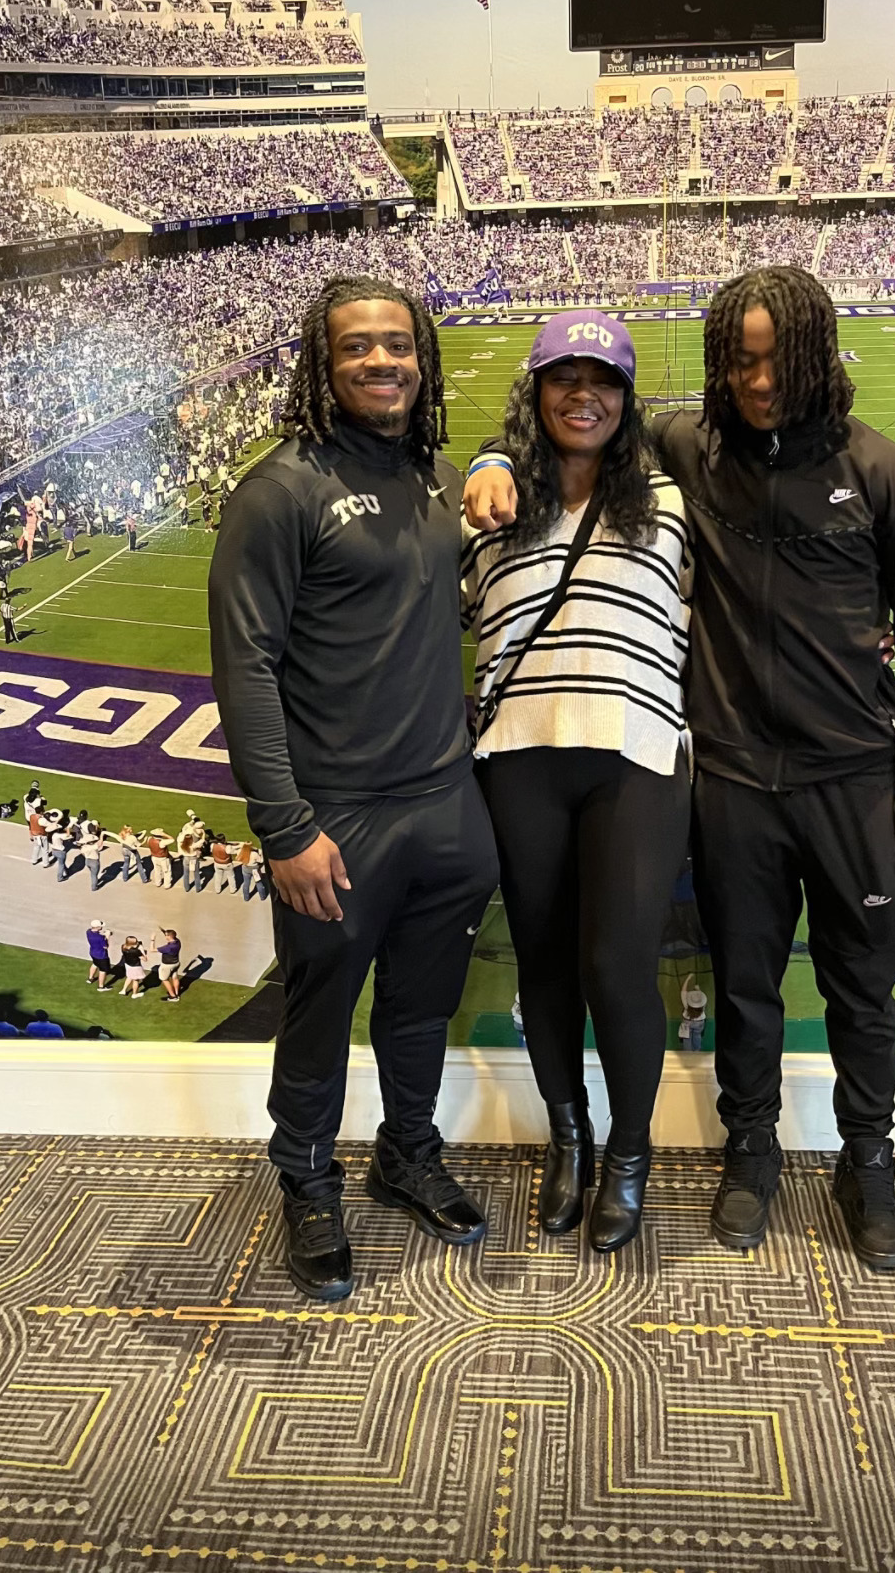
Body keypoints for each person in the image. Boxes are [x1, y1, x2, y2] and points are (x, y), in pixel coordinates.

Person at [465, 266, 895, 1274]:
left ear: (821, 350)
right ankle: (752, 1153)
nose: (758, 376)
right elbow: (575, 422)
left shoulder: (881, 469)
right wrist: (484, 450)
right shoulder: (690, 446)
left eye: (777, 355)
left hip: (856, 775)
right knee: (744, 986)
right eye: (739, 355)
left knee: (863, 988)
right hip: (733, 775)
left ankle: (868, 1163)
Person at [210, 274, 499, 1303]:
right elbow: (243, 668)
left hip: (445, 803)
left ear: (423, 357)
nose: (382, 360)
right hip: (337, 816)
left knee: (421, 1008)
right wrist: (285, 826)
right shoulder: (279, 490)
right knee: (321, 1010)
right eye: (357, 347)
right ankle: (307, 1179)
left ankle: (406, 1152)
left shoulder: (435, 475)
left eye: (398, 344)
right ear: (321, 365)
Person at [462, 312, 691, 1252]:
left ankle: (629, 1154)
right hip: (519, 750)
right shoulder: (488, 502)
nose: (582, 394)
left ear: (627, 397)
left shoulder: (672, 500)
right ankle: (570, 1135)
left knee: (617, 964)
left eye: (602, 379)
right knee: (546, 964)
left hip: (636, 749)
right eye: (564, 377)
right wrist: (485, 457)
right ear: (536, 390)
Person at [155, 927, 183, 1001]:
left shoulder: (168, 947)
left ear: (169, 936)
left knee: (164, 979)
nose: (165, 936)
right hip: (176, 963)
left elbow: (152, 949)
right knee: (175, 977)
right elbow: (171, 935)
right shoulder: (177, 941)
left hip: (167, 965)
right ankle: (177, 994)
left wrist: (152, 940)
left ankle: (173, 996)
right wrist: (164, 931)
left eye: (166, 935)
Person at [86, 919, 114, 990]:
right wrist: (107, 936)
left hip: (93, 952)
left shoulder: (88, 932)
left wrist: (104, 935)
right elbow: (105, 946)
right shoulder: (100, 938)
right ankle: (101, 987)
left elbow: (96, 936)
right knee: (103, 970)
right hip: (101, 955)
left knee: (95, 964)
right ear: (98, 927)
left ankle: (90, 978)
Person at [81, 820, 105, 891]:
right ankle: (94, 887)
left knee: (92, 874)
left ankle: (95, 882)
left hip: (87, 861)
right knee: (94, 875)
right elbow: (100, 844)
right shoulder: (94, 846)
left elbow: (82, 853)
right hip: (95, 862)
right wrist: (102, 836)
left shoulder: (84, 847)